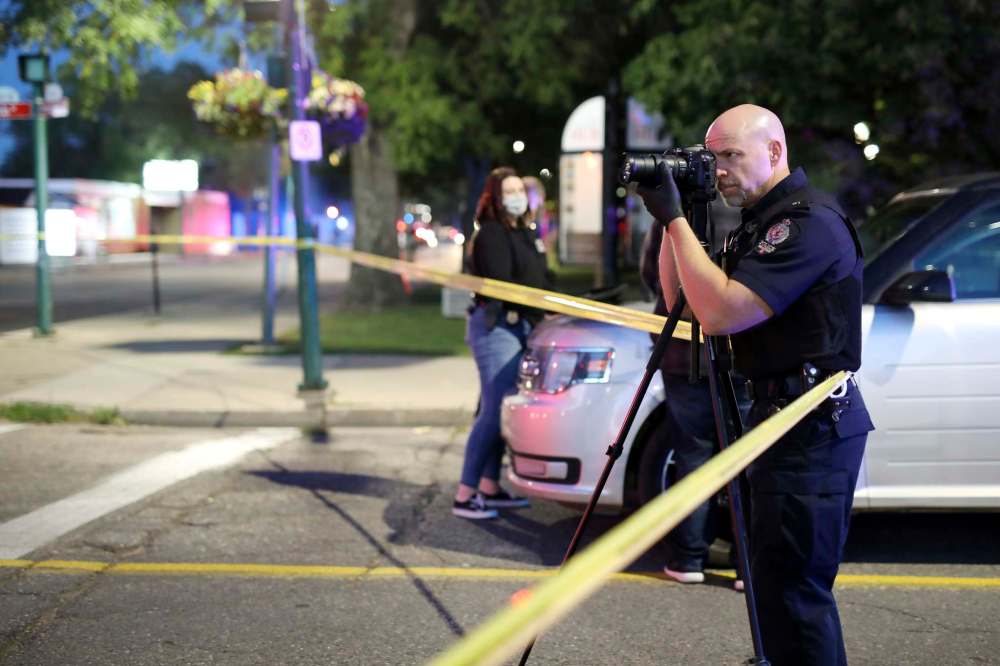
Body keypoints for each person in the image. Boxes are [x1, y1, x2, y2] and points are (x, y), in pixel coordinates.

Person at [638, 104, 874, 665]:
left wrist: (674, 223)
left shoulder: (806, 223)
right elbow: (684, 303)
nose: (717, 170)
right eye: (711, 158)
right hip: (776, 422)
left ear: (773, 152)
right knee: (770, 584)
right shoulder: (761, 221)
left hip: (811, 427)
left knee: (798, 595)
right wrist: (679, 220)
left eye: (730, 156)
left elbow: (722, 313)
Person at [453, 167, 551, 519]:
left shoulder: (525, 232)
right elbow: (503, 285)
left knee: (496, 408)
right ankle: (465, 494)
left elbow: (541, 279)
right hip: (497, 329)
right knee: (495, 412)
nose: (516, 195)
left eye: (519, 189)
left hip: (520, 327)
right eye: (508, 190)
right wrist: (542, 311)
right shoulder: (492, 233)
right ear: (494, 196)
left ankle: (489, 487)